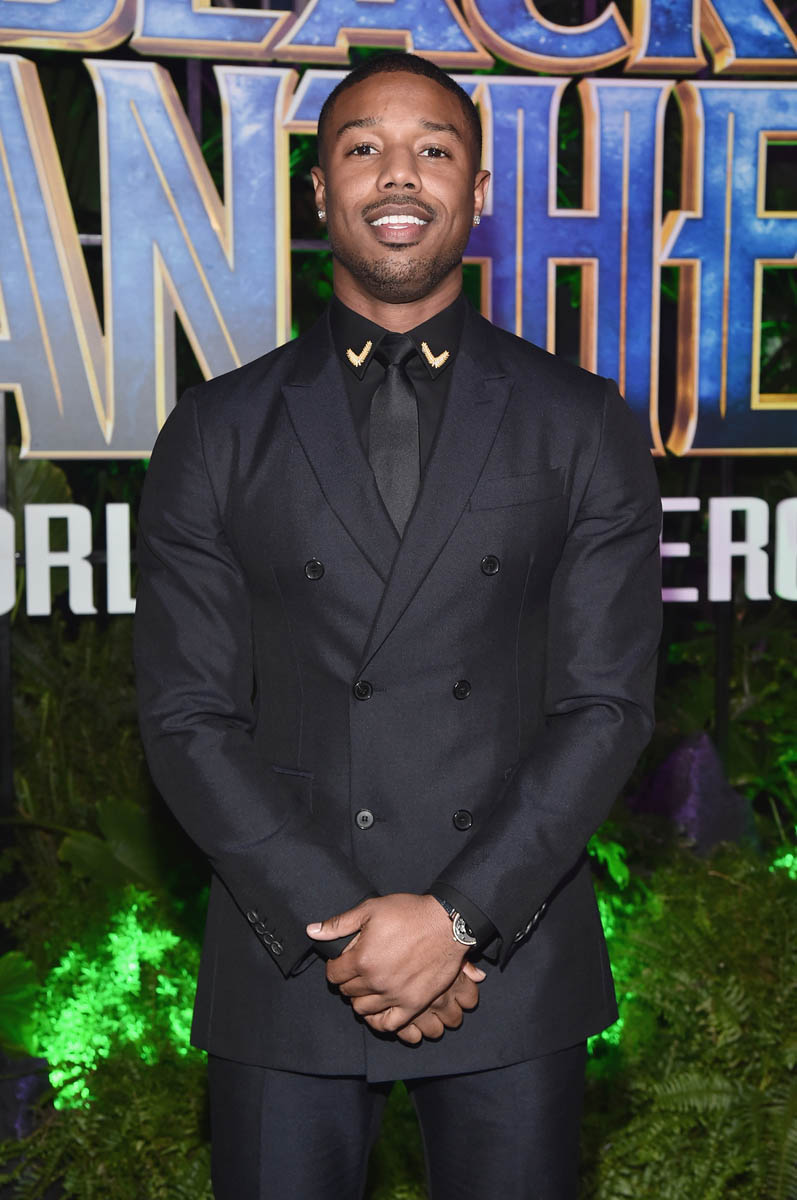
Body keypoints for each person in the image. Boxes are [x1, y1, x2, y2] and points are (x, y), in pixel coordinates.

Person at [134, 51, 662, 1200]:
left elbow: (604, 705)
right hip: (289, 962)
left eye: (433, 148)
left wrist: (457, 921)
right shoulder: (216, 432)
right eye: (362, 147)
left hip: (509, 959)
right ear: (318, 189)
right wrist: (348, 928)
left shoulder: (579, 422)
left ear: (477, 190)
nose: (398, 174)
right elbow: (186, 716)